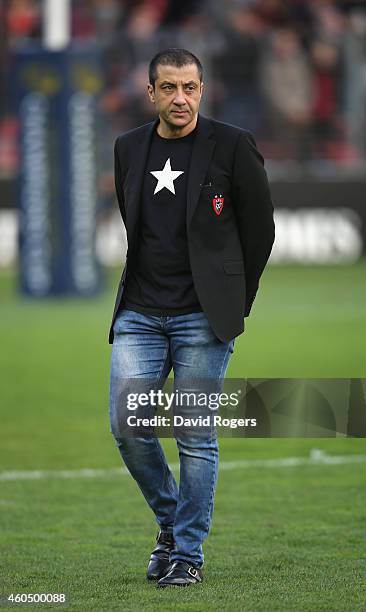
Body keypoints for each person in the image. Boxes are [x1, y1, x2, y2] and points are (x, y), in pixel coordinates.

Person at [109, 48, 274, 588]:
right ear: (151, 91)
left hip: (203, 317)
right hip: (138, 312)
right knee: (128, 425)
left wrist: (235, 302)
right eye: (169, 88)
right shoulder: (128, 148)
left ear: (202, 90)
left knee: (194, 435)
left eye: (190, 88)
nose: (180, 98)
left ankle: (186, 555)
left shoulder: (232, 145)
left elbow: (260, 231)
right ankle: (171, 522)